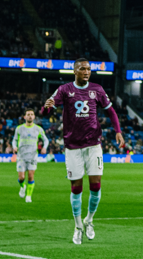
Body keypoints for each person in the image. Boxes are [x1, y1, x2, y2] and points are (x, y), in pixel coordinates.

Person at [41, 58, 124, 245]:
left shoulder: (97, 89)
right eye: (82, 69)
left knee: (96, 186)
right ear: (75, 71)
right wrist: (46, 107)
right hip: (72, 147)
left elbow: (111, 112)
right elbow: (46, 110)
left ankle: (90, 220)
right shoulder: (64, 90)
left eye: (88, 69)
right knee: (76, 188)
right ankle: (78, 226)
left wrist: (118, 131)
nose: (86, 72)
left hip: (94, 145)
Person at [12, 108, 50, 203]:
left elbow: (46, 140)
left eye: (31, 114)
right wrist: (14, 146)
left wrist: (44, 147)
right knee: (21, 178)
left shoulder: (38, 129)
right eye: (28, 114)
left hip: (33, 156)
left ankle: (28, 196)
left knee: (30, 176)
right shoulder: (19, 128)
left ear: (34, 117)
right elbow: (14, 140)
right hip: (21, 156)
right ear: (25, 117)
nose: (30, 116)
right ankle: (22, 187)